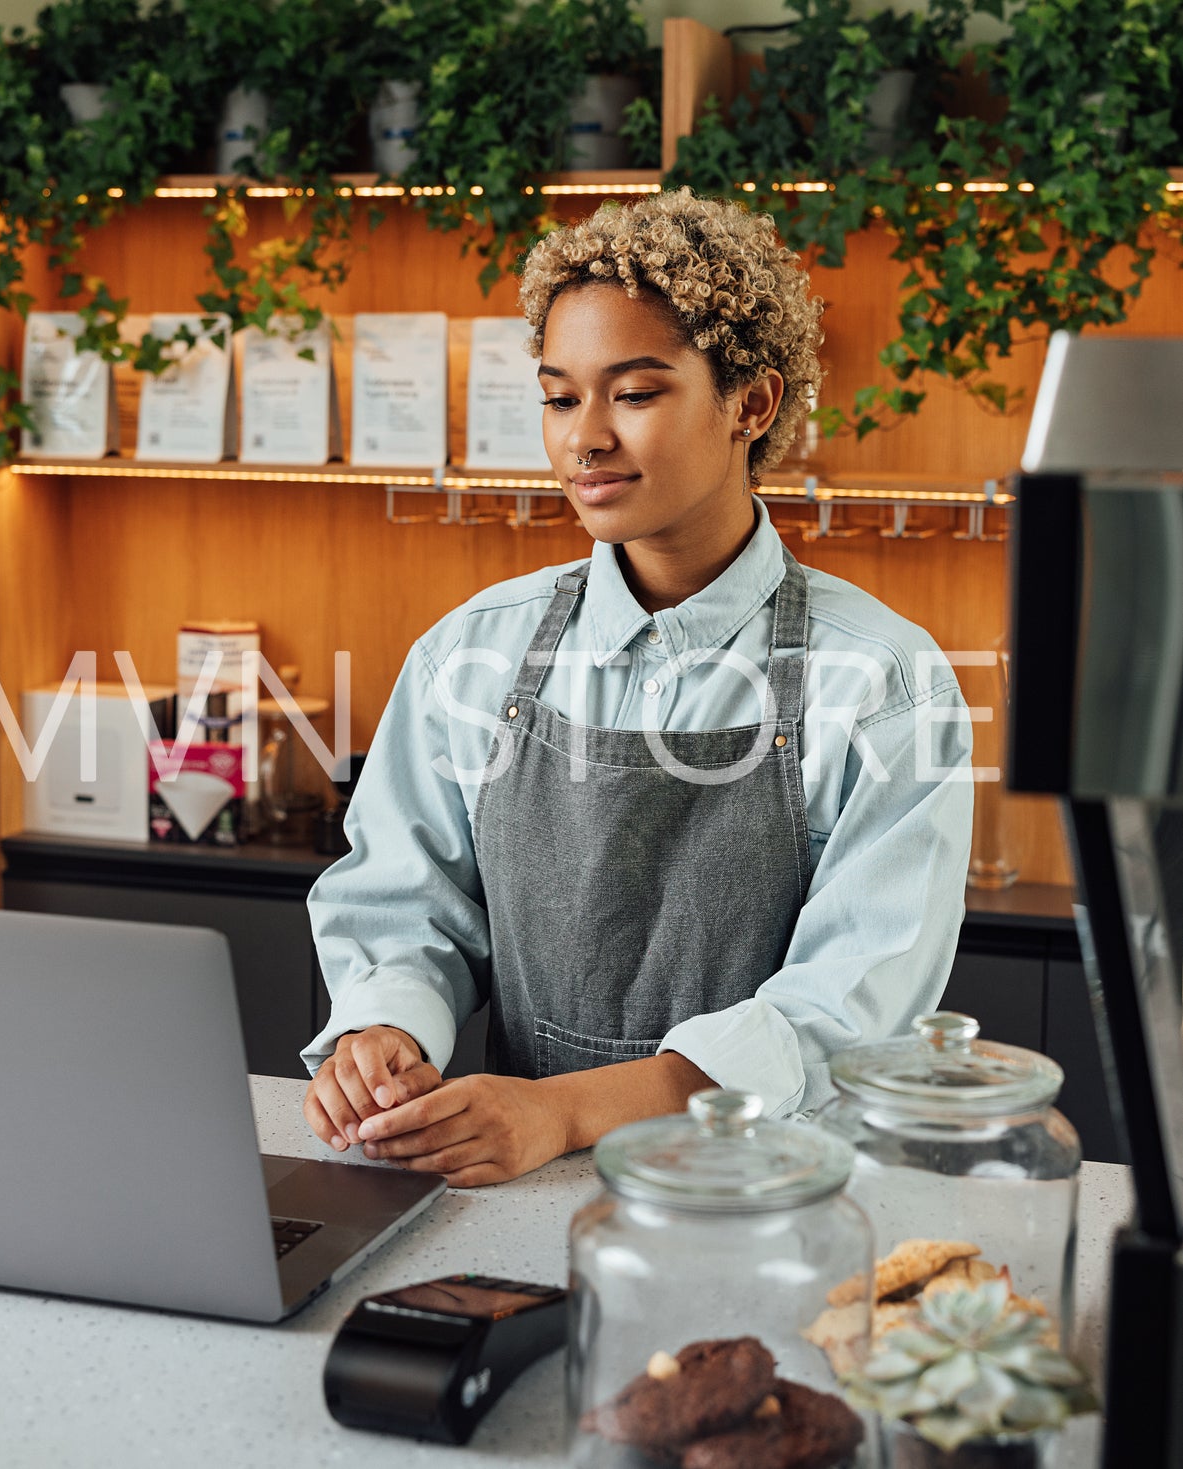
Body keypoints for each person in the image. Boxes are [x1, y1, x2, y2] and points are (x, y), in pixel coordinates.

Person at [300, 189, 973, 1187]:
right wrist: (384, 1027)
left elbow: (841, 1012)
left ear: (751, 402)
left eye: (636, 391)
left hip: (776, 1197)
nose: (586, 437)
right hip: (517, 1178)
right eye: (560, 396)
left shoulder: (879, 680)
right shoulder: (468, 654)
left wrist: (565, 1109)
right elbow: (407, 907)